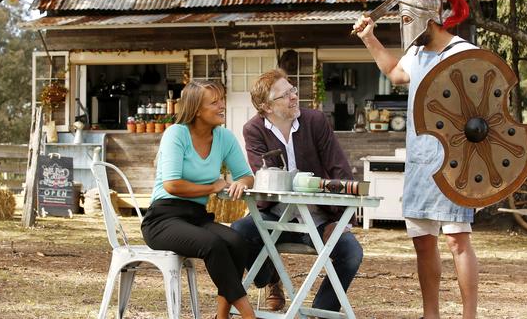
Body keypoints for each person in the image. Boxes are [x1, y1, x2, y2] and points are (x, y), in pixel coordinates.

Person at [353, 0, 478, 319]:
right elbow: (393, 73)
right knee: (424, 243)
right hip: (420, 164)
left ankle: (469, 315)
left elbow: (484, 109)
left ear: (428, 15)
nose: (405, 26)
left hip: (455, 163)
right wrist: (369, 37)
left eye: (407, 18)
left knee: (457, 240)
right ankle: (431, 314)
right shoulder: (417, 54)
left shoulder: (465, 54)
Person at [231, 68, 363, 313]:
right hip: (275, 218)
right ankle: (270, 277)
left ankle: (321, 311)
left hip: (319, 218)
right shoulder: (254, 130)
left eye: (292, 90)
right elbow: (266, 176)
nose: (294, 97)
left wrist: (344, 220)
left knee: (351, 253)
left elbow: (339, 167)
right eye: (285, 95)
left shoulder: (315, 121)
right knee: (239, 231)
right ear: (267, 106)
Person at [140, 80, 256, 319]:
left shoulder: (224, 137)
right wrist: (212, 186)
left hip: (197, 217)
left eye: (222, 99)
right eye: (214, 102)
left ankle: (221, 316)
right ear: (196, 110)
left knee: (237, 241)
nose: (222, 105)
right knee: (213, 244)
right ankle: (248, 316)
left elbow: (246, 176)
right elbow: (171, 185)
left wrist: (239, 184)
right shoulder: (176, 134)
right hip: (162, 219)